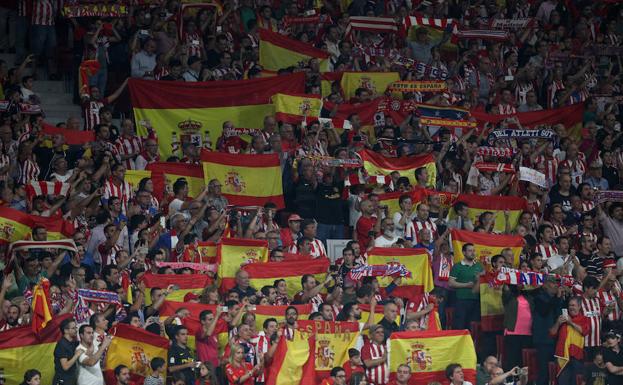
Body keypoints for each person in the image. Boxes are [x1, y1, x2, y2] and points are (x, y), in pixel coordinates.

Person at [550, 296, 590, 385]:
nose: (571, 307)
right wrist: (558, 323)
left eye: (573, 305)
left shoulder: (584, 319)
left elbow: (584, 331)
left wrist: (570, 322)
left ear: (579, 307)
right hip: (562, 356)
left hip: (577, 356)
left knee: (576, 382)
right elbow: (552, 334)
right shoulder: (562, 318)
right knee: (563, 382)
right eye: (569, 305)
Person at [449, 243, 484, 329]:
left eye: (473, 250)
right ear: (464, 252)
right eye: (470, 250)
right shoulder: (457, 266)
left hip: (476, 301)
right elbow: (450, 283)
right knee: (459, 326)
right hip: (461, 300)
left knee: (473, 327)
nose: (472, 253)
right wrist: (466, 285)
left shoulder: (479, 266)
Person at [53, 318, 82, 385]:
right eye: (73, 328)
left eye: (76, 327)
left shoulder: (73, 342)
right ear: (66, 330)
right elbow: (65, 366)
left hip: (71, 380)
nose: (76, 330)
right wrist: (76, 355)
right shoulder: (62, 345)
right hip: (62, 381)